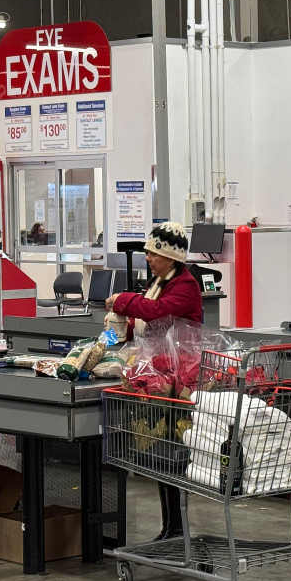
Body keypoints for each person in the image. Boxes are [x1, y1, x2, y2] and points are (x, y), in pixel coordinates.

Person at [104, 222, 202, 540]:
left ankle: (177, 527)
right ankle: (170, 526)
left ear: (170, 257)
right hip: (158, 377)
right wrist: (117, 331)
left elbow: (156, 311)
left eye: (152, 253)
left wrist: (122, 300)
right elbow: (147, 323)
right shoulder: (160, 282)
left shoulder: (185, 286)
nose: (147, 258)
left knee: (171, 453)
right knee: (160, 454)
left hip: (179, 382)